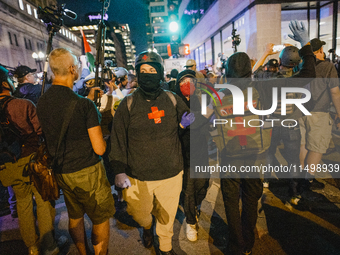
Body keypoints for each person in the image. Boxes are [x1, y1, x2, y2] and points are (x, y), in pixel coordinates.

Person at [204, 20, 316, 255]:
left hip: (230, 156)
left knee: (231, 201)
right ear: (249, 71)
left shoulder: (218, 93)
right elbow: (307, 75)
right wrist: (305, 44)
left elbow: (203, 119)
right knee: (251, 197)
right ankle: (248, 241)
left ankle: (236, 245)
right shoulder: (265, 88)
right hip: (255, 154)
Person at [109, 51, 194, 255]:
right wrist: (119, 171)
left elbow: (189, 119)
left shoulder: (172, 99)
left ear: (160, 72)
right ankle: (147, 227)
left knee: (167, 216)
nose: (148, 74)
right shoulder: (128, 104)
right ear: (137, 74)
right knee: (139, 214)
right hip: (138, 176)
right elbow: (117, 138)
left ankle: (165, 247)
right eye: (143, 70)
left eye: (152, 70)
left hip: (171, 172)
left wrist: (188, 122)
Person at [37, 48, 115, 255]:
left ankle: (83, 251)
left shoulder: (42, 101)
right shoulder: (84, 105)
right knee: (100, 217)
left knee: (75, 215)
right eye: (77, 65)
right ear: (72, 69)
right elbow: (99, 147)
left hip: (62, 171)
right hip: (88, 171)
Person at [0, 66, 65, 255]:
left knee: (23, 203)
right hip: (32, 160)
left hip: (8, 165)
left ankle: (32, 246)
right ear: (5, 83)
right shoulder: (23, 105)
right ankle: (49, 244)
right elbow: (41, 132)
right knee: (44, 201)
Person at [299, 38, 340, 189]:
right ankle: (308, 179)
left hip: (301, 110)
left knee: (303, 144)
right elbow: (335, 93)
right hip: (319, 112)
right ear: (320, 51)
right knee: (316, 147)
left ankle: (301, 177)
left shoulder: (302, 65)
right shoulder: (327, 67)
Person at [175, 69, 210, 242]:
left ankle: (194, 205)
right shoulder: (175, 102)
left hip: (202, 150)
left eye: (191, 82)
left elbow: (207, 116)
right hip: (185, 152)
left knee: (203, 184)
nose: (187, 85)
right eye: (183, 82)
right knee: (189, 188)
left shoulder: (201, 99)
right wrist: (182, 126)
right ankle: (190, 221)